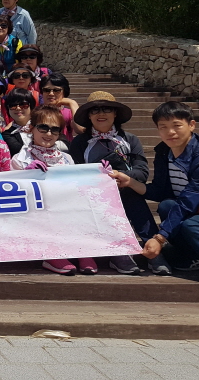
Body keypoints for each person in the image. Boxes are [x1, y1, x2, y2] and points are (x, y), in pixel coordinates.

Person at [72, 92, 168, 275]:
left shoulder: (130, 139)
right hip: (94, 195)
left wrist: (121, 176)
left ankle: (152, 248)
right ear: (89, 116)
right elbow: (76, 173)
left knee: (132, 194)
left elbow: (142, 171)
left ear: (115, 113)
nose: (101, 113)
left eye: (107, 109)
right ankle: (118, 252)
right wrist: (102, 181)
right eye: (95, 110)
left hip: (125, 189)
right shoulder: (79, 143)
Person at [110, 102, 199, 272]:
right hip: (193, 209)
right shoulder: (164, 152)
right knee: (166, 206)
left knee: (191, 224)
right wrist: (130, 182)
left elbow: (187, 202)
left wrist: (160, 238)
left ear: (191, 125)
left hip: (197, 210)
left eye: (176, 125)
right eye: (163, 127)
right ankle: (193, 257)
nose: (170, 132)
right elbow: (160, 191)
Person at [10, 106, 98, 276]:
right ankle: (52, 255)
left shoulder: (67, 158)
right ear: (31, 128)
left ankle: (83, 251)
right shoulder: (19, 159)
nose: (49, 134)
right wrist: (25, 174)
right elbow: (12, 190)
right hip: (35, 211)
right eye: (43, 128)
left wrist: (100, 174)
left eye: (55, 129)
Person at [41, 72, 81, 141]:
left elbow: (80, 129)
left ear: (64, 92)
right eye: (46, 90)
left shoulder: (68, 113)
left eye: (56, 90)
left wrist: (72, 103)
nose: (51, 93)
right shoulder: (36, 112)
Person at [1, 88, 37, 156]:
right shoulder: (7, 134)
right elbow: (21, 153)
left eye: (23, 105)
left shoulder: (42, 125)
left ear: (31, 106)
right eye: (13, 105)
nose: (18, 108)